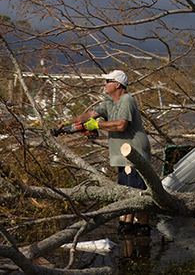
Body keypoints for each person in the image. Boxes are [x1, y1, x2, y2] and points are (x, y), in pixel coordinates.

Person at [60, 70, 152, 236]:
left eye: (108, 81)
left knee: (137, 195)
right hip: (122, 156)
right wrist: (70, 123)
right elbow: (90, 115)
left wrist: (97, 126)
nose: (104, 84)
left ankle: (138, 230)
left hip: (135, 154)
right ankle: (128, 229)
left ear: (117, 84)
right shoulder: (110, 102)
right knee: (125, 192)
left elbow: (121, 125)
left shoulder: (127, 100)